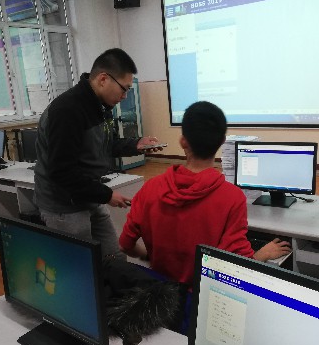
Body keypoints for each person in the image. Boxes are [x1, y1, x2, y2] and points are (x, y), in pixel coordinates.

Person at [118, 101, 291, 286]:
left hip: (161, 295)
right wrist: (262, 254)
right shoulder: (232, 197)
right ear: (222, 142)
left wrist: (148, 256)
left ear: (182, 141)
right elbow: (237, 268)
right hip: (203, 299)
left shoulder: (150, 188)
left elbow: (125, 245)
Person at [34, 48, 160, 261]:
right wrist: (106, 195)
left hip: (88, 195)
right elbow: (61, 172)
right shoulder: (67, 111)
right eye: (124, 89)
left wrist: (136, 144)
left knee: (114, 257)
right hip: (63, 205)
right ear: (103, 79)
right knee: (82, 266)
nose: (125, 96)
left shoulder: (100, 107)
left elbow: (106, 144)